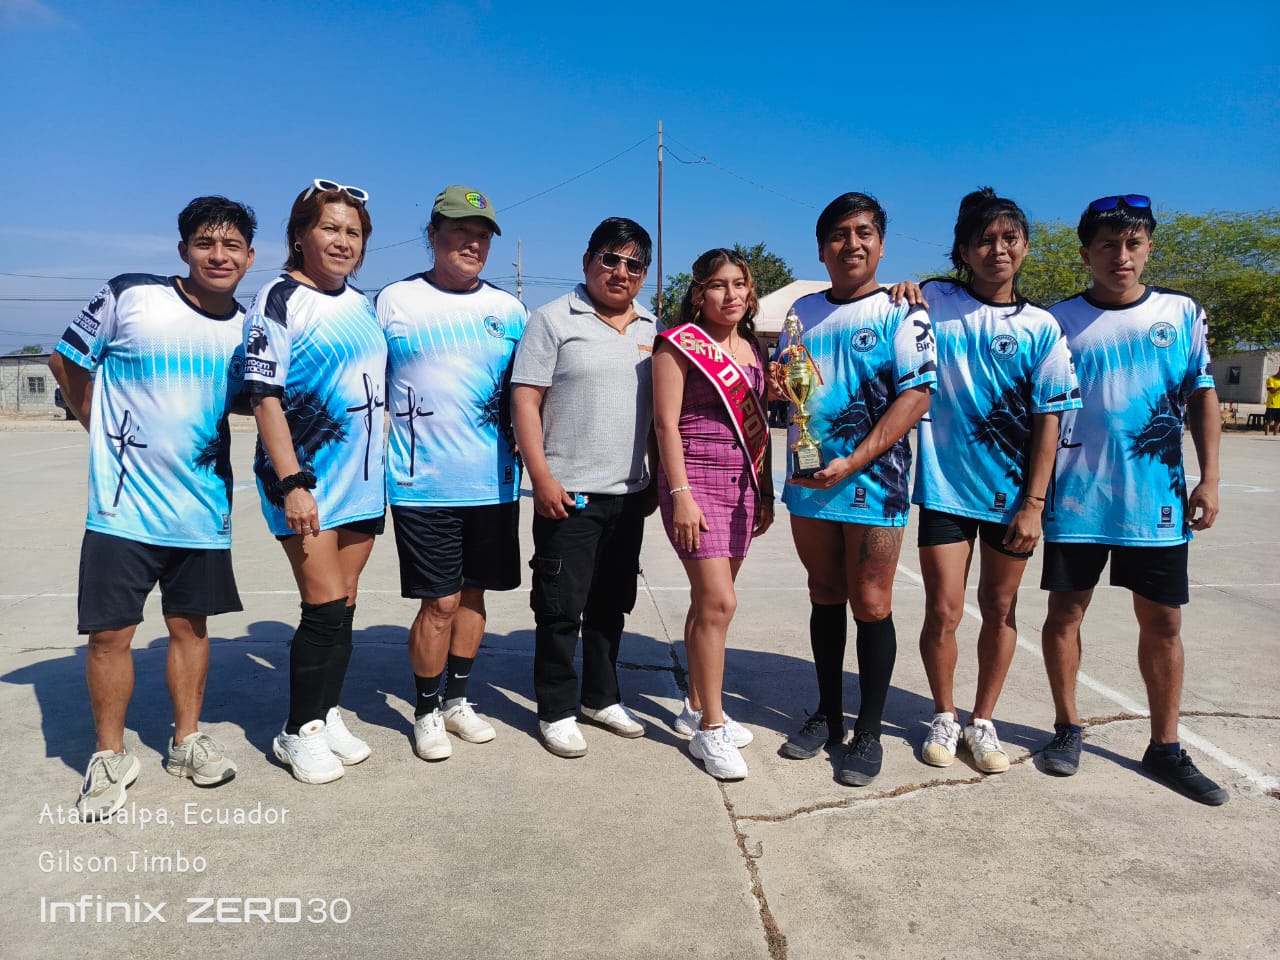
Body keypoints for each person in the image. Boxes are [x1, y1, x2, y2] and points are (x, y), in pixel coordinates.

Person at [48, 196, 256, 819]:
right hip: (122, 508)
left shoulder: (248, 328)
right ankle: (110, 755)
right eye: (204, 243)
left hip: (202, 507)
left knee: (191, 628)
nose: (218, 256)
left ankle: (186, 741)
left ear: (249, 257)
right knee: (111, 634)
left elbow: (253, 400)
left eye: (231, 246)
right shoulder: (131, 295)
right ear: (183, 250)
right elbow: (65, 359)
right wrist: (97, 427)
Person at [1040, 194, 1227, 805]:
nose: (1121, 256)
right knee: (1066, 614)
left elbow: (1202, 396)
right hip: (1077, 497)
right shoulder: (1057, 321)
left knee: (1164, 622)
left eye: (1133, 244)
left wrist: (1210, 478)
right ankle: (1067, 727)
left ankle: (1165, 746)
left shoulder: (1181, 312)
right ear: (1085, 254)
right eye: (1108, 245)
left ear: (1148, 248)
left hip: (1156, 499)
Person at [912, 189, 1081, 773]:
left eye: (1010, 238)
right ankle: (944, 713)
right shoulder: (933, 300)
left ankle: (983, 720)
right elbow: (895, 319)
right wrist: (903, 289)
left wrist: (1034, 503)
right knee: (944, 610)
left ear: (1026, 247)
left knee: (999, 607)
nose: (998, 249)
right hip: (944, 489)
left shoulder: (1042, 327)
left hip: (1012, 499)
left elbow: (1050, 419)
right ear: (963, 251)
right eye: (984, 240)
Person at [773, 192, 936, 787]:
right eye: (839, 234)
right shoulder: (801, 312)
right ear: (821, 248)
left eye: (864, 232)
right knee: (823, 591)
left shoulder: (903, 312)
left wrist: (854, 462)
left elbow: (916, 396)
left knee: (871, 603)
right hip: (809, 477)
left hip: (874, 481)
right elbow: (789, 389)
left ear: (882, 245)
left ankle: (869, 730)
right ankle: (828, 714)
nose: (852, 243)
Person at [242, 179, 387, 785]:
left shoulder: (362, 304)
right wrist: (293, 481)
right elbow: (264, 396)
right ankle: (296, 731)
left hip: (364, 480)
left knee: (345, 605)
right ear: (300, 234)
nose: (342, 241)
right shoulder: (278, 298)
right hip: (306, 480)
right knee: (323, 606)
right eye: (329, 228)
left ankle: (325, 713)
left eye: (353, 232)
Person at [377, 186, 527, 761]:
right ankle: (425, 709)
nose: (473, 242)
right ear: (433, 234)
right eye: (461, 230)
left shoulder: (509, 311)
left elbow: (530, 396)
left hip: (494, 484)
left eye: (482, 234)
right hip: (422, 485)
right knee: (438, 603)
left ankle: (458, 700)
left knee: (473, 597)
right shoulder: (395, 301)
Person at [511, 217, 658, 759]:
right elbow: (525, 401)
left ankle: (601, 697)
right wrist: (542, 478)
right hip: (568, 494)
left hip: (629, 494)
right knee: (558, 608)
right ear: (587, 261)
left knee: (611, 605)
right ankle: (555, 709)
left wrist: (656, 481)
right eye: (610, 259)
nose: (620, 272)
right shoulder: (552, 320)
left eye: (634, 265)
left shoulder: (652, 327)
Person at [654, 248, 774, 780]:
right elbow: (664, 424)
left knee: (709, 604)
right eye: (720, 285)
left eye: (740, 284)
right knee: (721, 601)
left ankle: (695, 705)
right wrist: (680, 493)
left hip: (742, 485)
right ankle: (712, 729)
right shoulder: (678, 343)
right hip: (695, 481)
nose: (732, 295)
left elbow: (761, 426)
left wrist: (765, 493)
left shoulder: (754, 348)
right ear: (699, 293)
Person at [1264, 363, 1280, 436]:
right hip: (1272, 404)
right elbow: (1271, 391)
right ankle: (1266, 436)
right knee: (1268, 421)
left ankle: (1275, 436)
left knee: (1278, 422)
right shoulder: (1270, 379)